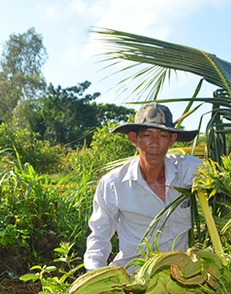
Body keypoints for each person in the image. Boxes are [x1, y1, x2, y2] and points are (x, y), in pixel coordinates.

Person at [83, 102, 203, 271]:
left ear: (172, 140)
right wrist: (94, 277)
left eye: (162, 136)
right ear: (134, 139)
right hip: (134, 280)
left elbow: (225, 179)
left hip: (180, 277)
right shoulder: (114, 185)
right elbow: (99, 236)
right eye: (147, 135)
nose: (155, 143)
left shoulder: (188, 171)